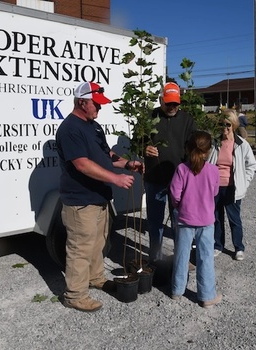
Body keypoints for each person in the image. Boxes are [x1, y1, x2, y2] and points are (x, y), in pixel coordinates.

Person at [56, 82, 143, 312]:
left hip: (99, 197)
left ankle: (95, 277)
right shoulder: (70, 129)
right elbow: (82, 164)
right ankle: (74, 295)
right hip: (80, 200)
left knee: (98, 243)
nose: (99, 109)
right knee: (80, 247)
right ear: (81, 102)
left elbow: (107, 155)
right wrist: (116, 179)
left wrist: (127, 164)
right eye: (96, 104)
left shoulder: (93, 127)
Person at [142, 82, 196, 262]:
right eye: (168, 103)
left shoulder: (188, 120)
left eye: (176, 103)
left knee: (178, 222)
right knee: (155, 222)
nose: (172, 107)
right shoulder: (149, 117)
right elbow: (137, 140)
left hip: (178, 181)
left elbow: (194, 147)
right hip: (154, 178)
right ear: (160, 100)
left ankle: (181, 259)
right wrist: (145, 148)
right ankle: (155, 258)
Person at [169, 131, 222, 308]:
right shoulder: (214, 170)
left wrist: (181, 207)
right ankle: (207, 296)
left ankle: (177, 290)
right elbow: (214, 193)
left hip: (185, 218)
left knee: (181, 255)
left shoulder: (181, 169)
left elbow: (174, 194)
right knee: (205, 257)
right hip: (206, 220)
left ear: (189, 148)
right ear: (209, 150)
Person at [208, 109, 256, 261]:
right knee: (216, 218)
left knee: (234, 219)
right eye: (221, 124)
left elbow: (251, 165)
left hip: (232, 188)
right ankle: (217, 245)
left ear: (234, 125)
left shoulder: (241, 144)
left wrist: (245, 182)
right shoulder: (214, 142)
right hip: (215, 187)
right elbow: (208, 163)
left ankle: (238, 247)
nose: (225, 127)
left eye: (228, 124)